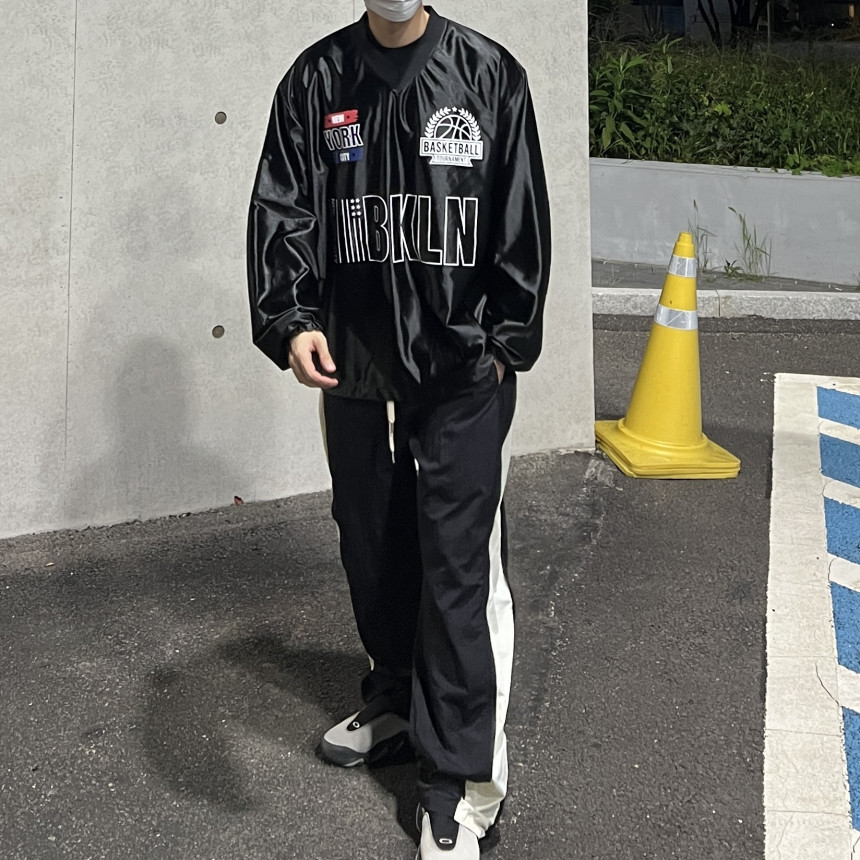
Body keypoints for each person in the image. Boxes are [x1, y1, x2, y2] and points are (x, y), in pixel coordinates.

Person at [247, 2, 550, 857]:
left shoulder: (488, 74)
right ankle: (397, 695)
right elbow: (284, 208)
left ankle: (459, 783)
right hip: (354, 369)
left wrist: (503, 346)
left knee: (458, 570)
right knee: (370, 542)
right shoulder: (316, 79)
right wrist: (292, 319)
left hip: (460, 375)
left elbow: (521, 217)